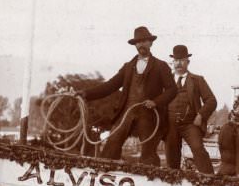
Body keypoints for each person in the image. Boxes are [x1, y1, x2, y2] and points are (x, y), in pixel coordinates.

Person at [78, 26, 176, 164]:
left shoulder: (161, 66)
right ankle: (104, 175)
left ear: (151, 43)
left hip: (149, 115)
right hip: (126, 114)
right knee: (111, 146)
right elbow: (110, 86)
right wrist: (85, 94)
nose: (141, 44)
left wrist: (156, 102)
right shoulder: (128, 67)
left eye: (144, 41)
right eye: (138, 41)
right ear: (135, 45)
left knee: (148, 153)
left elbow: (172, 90)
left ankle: (152, 182)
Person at [164, 44, 216, 173]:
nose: (178, 63)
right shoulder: (165, 80)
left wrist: (200, 115)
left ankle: (210, 180)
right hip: (170, 125)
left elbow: (211, 100)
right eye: (176, 60)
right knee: (171, 155)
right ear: (172, 62)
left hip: (190, 124)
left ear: (188, 62)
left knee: (198, 149)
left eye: (182, 60)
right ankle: (173, 183)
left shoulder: (197, 80)